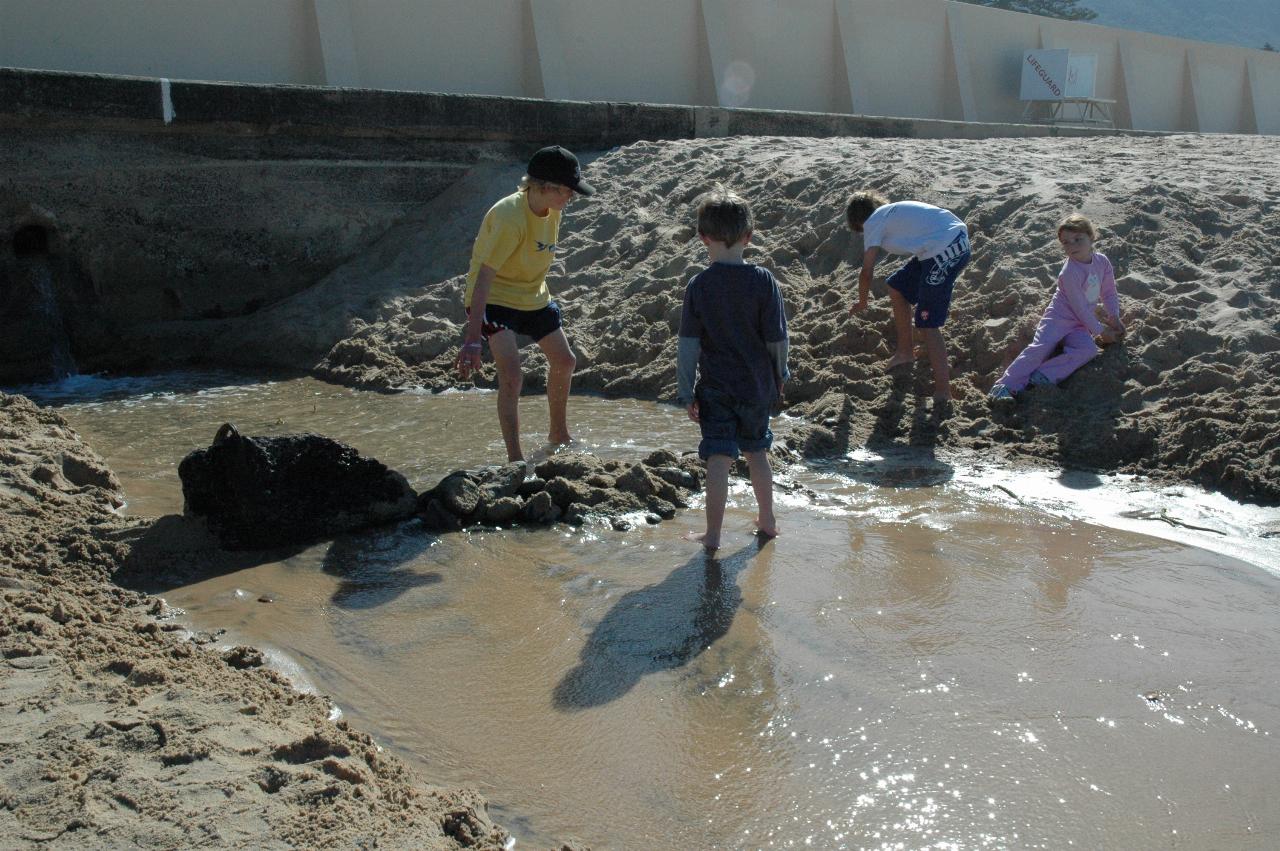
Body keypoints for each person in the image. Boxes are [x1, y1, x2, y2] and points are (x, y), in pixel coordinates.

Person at [455, 146, 593, 462]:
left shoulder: (553, 209)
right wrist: (473, 340)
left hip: (532, 295)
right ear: (543, 187)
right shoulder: (509, 218)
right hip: (493, 298)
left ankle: (559, 434)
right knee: (513, 375)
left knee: (565, 361)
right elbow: (483, 279)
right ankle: (515, 460)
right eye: (568, 192)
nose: (571, 199)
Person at [677, 190, 789, 550]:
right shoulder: (764, 281)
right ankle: (768, 520)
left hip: (716, 387)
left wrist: (685, 390)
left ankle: (712, 535)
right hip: (757, 385)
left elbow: (688, 345)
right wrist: (780, 375)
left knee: (719, 459)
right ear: (749, 236)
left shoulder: (699, 285)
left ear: (702, 237)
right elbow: (777, 338)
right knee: (758, 452)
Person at [846, 191, 971, 402]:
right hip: (946, 243)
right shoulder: (891, 212)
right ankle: (905, 351)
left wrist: (862, 302)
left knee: (927, 322)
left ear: (859, 223)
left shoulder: (873, 221)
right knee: (897, 288)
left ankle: (943, 392)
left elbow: (867, 271)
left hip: (946, 249)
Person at [989, 213, 1123, 400]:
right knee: (1040, 347)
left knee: (1088, 350)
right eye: (1066, 242)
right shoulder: (1070, 272)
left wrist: (1114, 316)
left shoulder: (1102, 262)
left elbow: (1108, 291)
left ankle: (1044, 375)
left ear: (1091, 237)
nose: (1072, 245)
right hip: (1058, 318)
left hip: (1079, 324)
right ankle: (1005, 385)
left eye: (1078, 239)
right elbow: (1079, 308)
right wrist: (1100, 331)